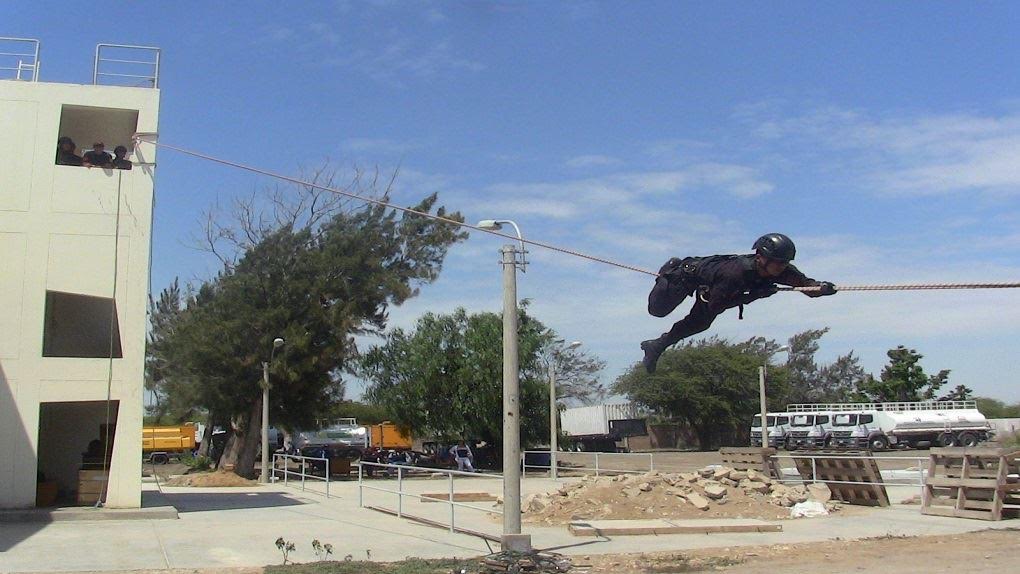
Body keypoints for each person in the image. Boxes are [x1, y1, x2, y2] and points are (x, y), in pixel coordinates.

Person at [640, 233, 836, 374]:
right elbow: (717, 305)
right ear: (761, 258)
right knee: (656, 310)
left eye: (785, 262)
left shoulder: (783, 270)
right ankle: (669, 268)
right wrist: (753, 296)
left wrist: (822, 288)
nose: (782, 267)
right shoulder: (735, 274)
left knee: (700, 323)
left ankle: (656, 346)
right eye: (778, 262)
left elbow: (806, 286)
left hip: (713, 288)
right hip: (686, 277)